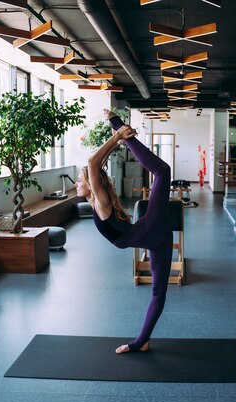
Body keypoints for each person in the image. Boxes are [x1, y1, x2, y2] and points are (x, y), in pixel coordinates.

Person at [76, 110, 172, 354]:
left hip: (149, 230)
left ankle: (122, 129)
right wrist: (116, 139)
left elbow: (92, 164)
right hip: (154, 236)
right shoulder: (97, 201)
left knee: (162, 171)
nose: (76, 184)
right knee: (158, 293)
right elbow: (95, 165)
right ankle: (142, 341)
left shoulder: (100, 201)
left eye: (79, 180)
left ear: (90, 185)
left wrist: (117, 132)